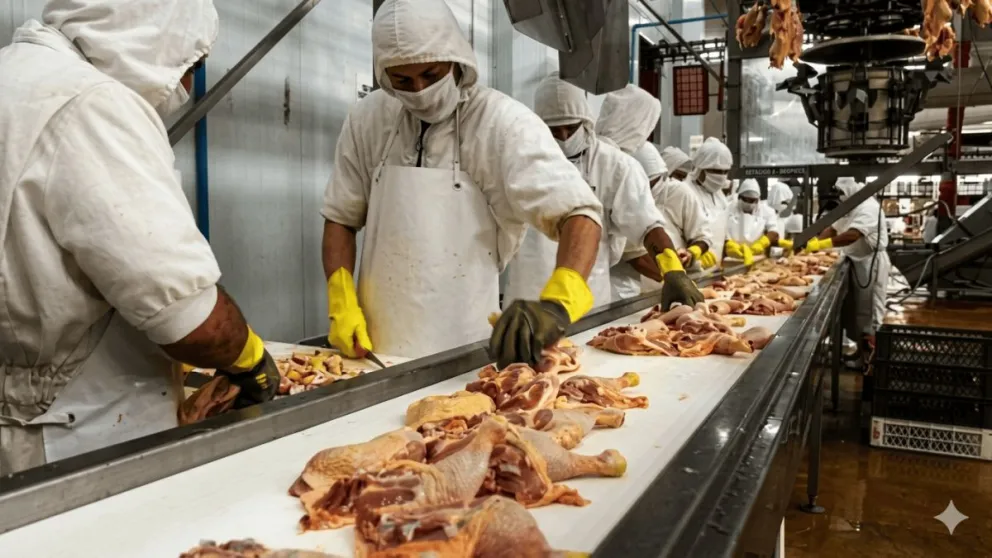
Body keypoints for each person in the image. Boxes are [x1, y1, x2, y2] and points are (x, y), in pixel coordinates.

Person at [0, 0, 279, 474]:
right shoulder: (93, 104)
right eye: (191, 65)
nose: (186, 87)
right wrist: (250, 359)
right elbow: (190, 322)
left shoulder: (16, 76)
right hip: (80, 434)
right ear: (153, 34)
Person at [322, 0, 606, 371]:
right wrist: (341, 299)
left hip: (466, 348)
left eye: (431, 74)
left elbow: (580, 213)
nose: (420, 91)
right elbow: (340, 218)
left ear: (456, 60)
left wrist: (559, 303)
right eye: (402, 81)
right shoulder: (367, 119)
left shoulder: (502, 123)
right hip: (376, 347)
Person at [502, 74, 702, 313]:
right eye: (554, 130)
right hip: (526, 296)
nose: (564, 138)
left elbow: (648, 225)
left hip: (587, 299)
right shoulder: (522, 161)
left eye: (571, 128)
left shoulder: (614, 166)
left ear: (586, 121)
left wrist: (672, 270)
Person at [594, 84, 663, 300]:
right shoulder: (621, 164)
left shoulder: (585, 155)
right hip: (596, 284)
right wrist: (673, 272)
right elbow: (647, 229)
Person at [804, 177, 891, 348]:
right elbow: (833, 229)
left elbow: (853, 235)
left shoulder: (869, 207)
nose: (840, 196)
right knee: (857, 308)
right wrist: (812, 244)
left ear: (852, 189)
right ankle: (857, 346)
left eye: (842, 192)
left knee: (870, 308)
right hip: (855, 260)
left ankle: (870, 350)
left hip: (870, 262)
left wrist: (820, 245)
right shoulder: (850, 206)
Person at [631, 143, 715, 294]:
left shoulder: (679, 193)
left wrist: (691, 253)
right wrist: (670, 278)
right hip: (635, 288)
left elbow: (703, 236)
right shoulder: (627, 197)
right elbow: (631, 253)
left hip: (680, 281)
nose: (647, 190)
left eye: (652, 183)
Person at [686, 137, 735, 265]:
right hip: (692, 266)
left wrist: (728, 243)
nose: (721, 176)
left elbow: (721, 227)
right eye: (716, 171)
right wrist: (695, 254)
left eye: (725, 172)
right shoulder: (686, 191)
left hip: (715, 266)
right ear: (700, 168)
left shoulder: (720, 196)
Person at [725, 179, 791, 264]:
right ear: (739, 197)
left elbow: (773, 231)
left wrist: (762, 243)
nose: (749, 203)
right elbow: (720, 230)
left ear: (758, 199)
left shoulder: (766, 211)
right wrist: (729, 244)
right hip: (732, 256)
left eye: (753, 200)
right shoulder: (728, 208)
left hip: (757, 257)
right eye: (746, 200)